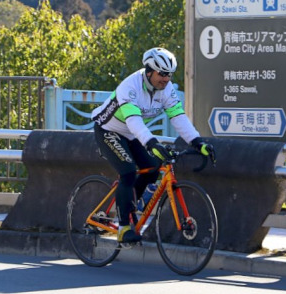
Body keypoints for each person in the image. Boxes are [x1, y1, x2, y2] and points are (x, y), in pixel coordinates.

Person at [91, 47, 214, 244]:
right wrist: (151, 142)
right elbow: (134, 121)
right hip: (109, 131)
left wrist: (197, 142)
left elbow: (178, 116)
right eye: (162, 74)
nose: (166, 79)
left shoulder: (166, 89)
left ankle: (130, 207)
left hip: (131, 134)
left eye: (169, 75)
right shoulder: (129, 87)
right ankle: (123, 228)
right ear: (149, 71)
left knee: (152, 169)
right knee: (129, 172)